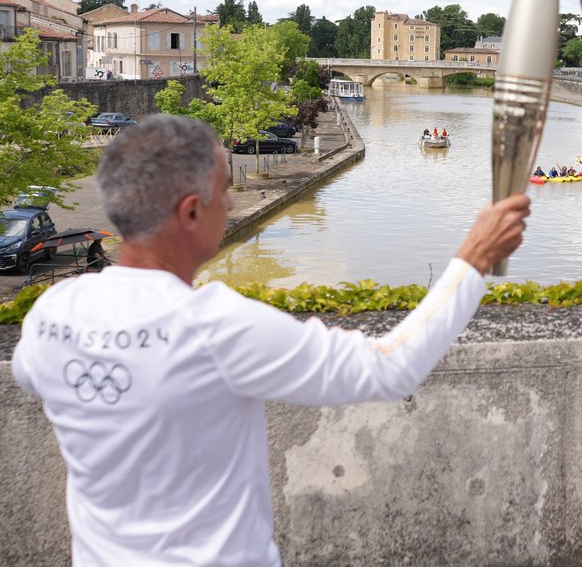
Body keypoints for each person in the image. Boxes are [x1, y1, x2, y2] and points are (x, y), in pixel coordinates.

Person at [11, 114, 530, 567]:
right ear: (192, 212)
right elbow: (389, 368)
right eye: (224, 189)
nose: (234, 200)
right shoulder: (215, 327)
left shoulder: (52, 316)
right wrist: (473, 259)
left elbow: (33, 375)